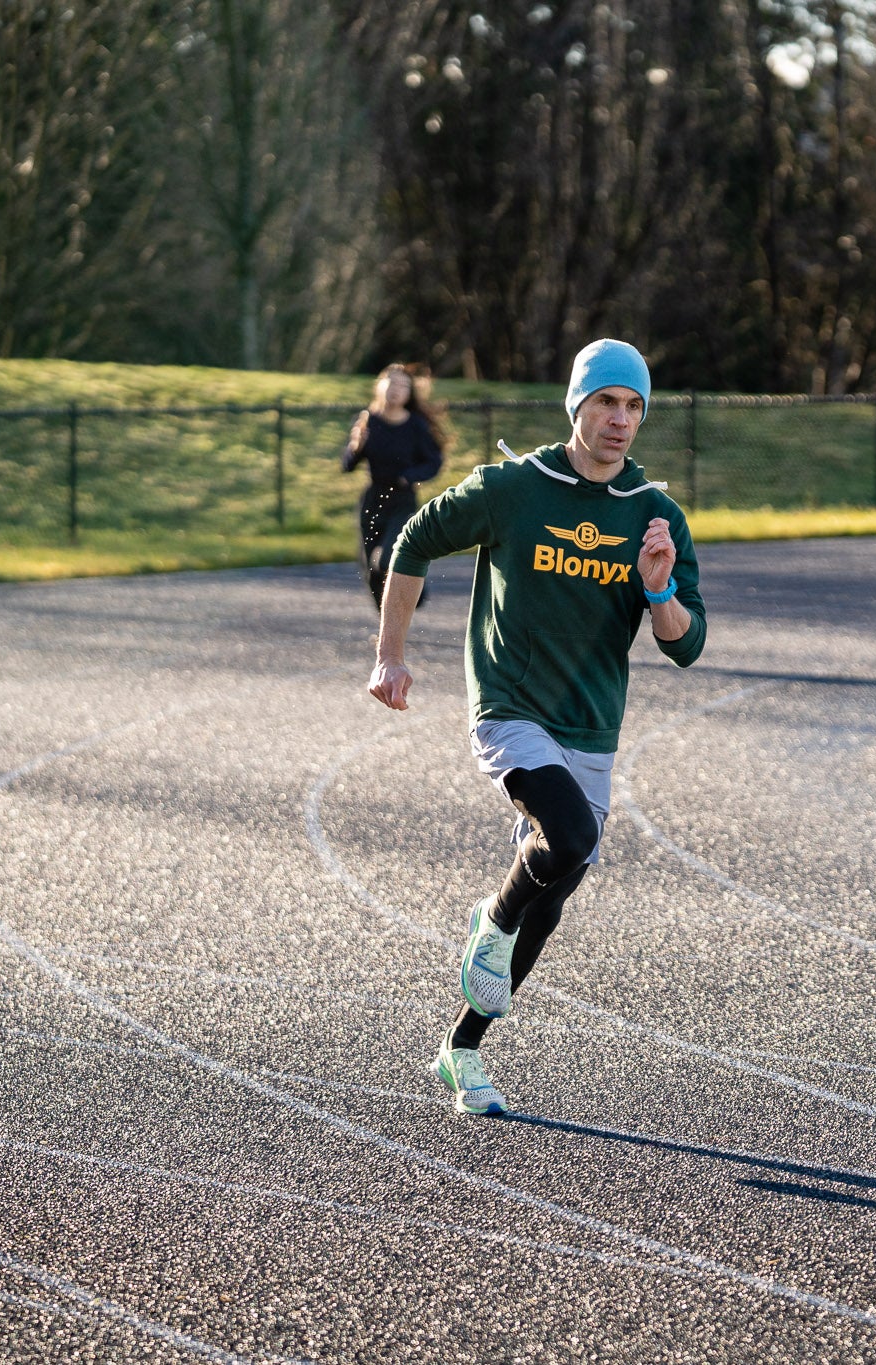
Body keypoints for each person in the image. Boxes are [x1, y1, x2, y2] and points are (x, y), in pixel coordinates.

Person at [365, 339, 706, 1117]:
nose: (620, 420)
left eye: (633, 406)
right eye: (605, 403)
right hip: (511, 707)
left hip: (592, 726)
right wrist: (390, 656)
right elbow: (412, 540)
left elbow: (687, 644)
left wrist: (658, 591)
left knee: (552, 893)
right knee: (569, 844)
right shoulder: (515, 488)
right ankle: (492, 915)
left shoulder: (656, 516)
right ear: (577, 406)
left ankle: (461, 1048)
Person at [342, 364, 446, 609]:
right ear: (380, 385)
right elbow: (347, 465)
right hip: (373, 499)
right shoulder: (368, 420)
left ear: (409, 393)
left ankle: (415, 593)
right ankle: (384, 631)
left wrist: (408, 477)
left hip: (402, 500)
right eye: (392, 383)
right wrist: (356, 446)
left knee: (388, 559)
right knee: (371, 569)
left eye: (403, 385)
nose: (396, 389)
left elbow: (434, 461)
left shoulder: (415, 426)